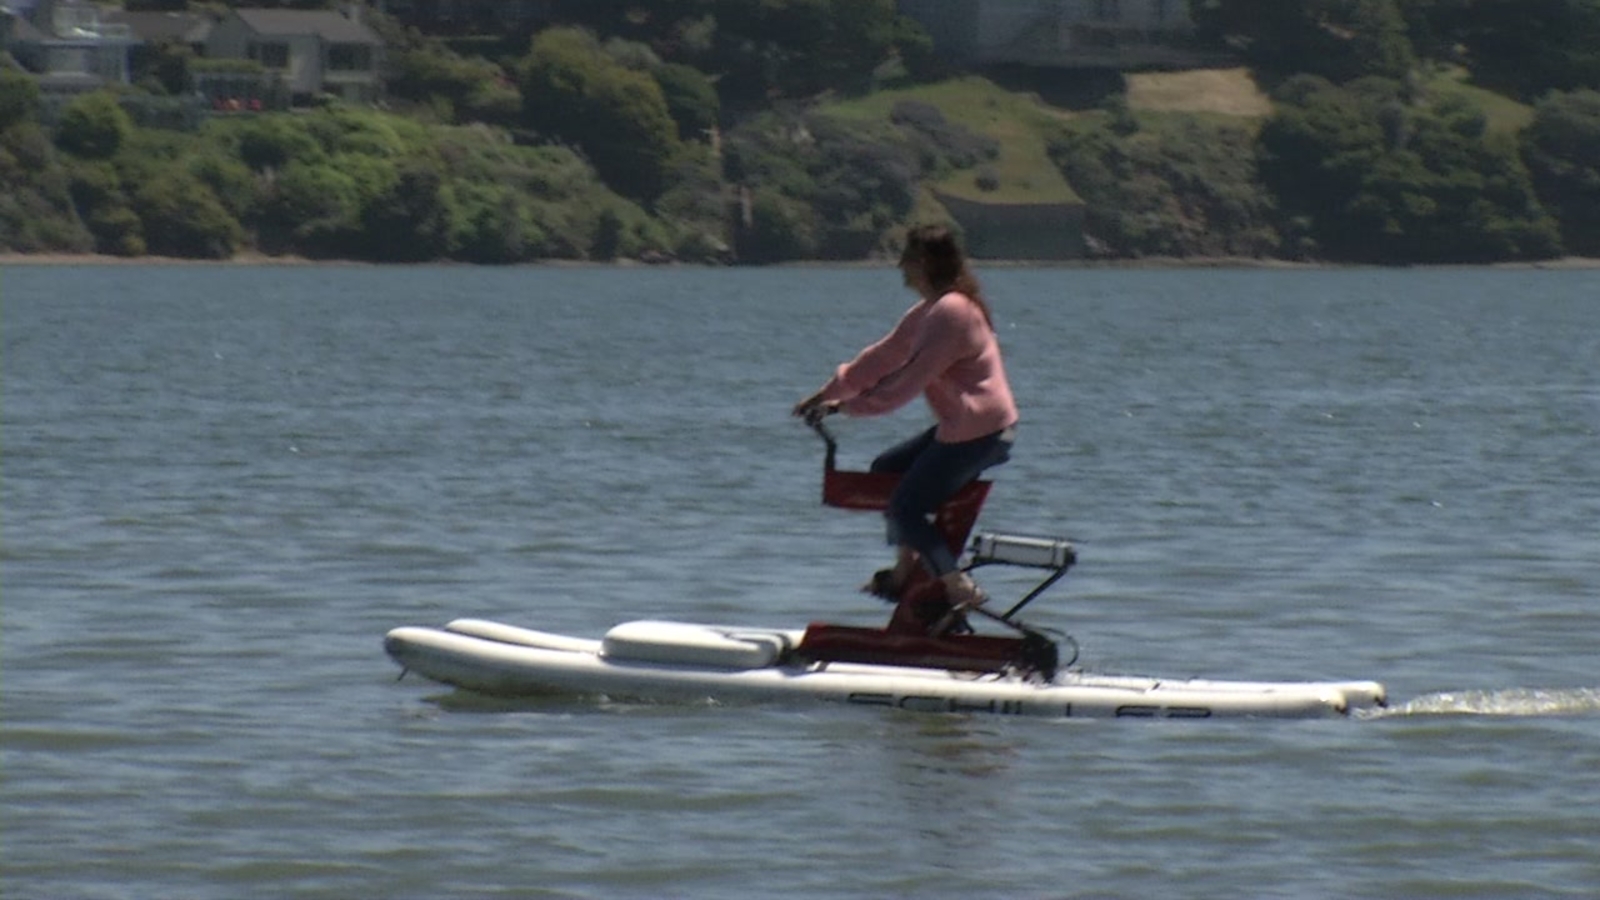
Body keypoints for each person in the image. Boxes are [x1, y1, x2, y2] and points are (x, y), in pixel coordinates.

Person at [793, 224, 1018, 609]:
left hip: (980, 434)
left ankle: (957, 586)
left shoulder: (951, 312)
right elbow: (881, 358)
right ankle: (906, 573)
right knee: (886, 469)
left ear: (925, 263)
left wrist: (845, 408)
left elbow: (904, 384)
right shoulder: (932, 310)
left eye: (907, 258)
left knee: (904, 507)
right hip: (969, 428)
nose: (899, 265)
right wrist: (826, 394)